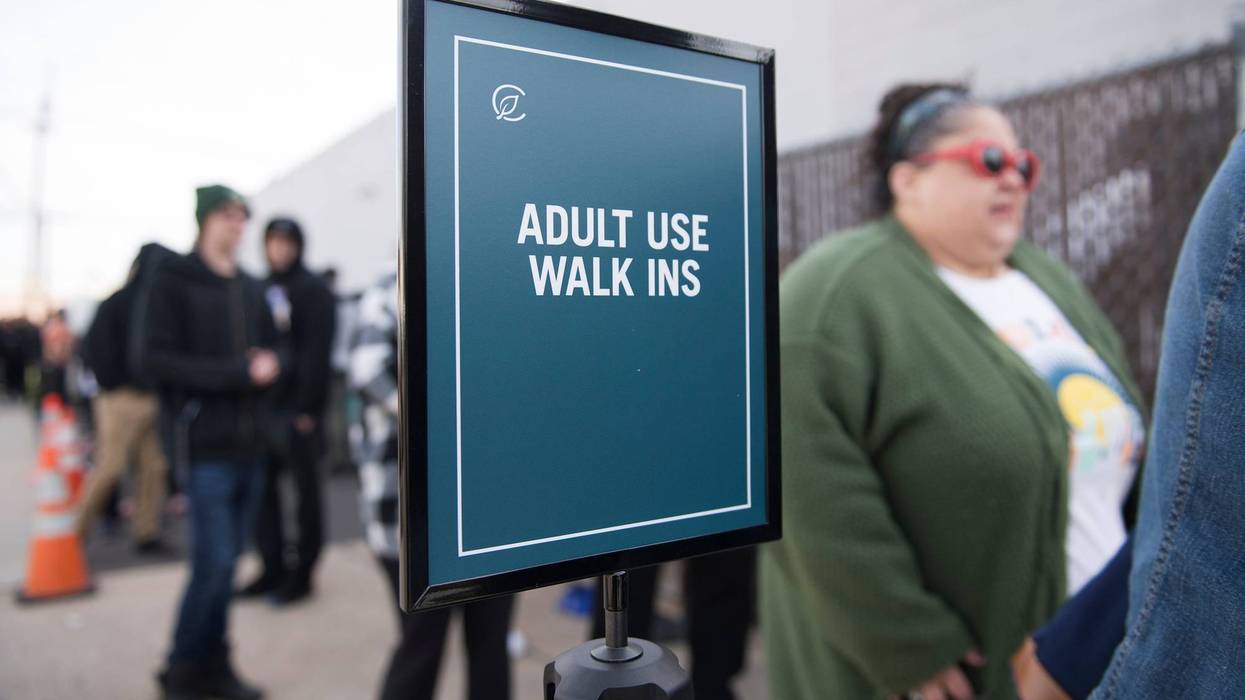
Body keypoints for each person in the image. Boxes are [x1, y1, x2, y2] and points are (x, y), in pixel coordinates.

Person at [761, 83, 1146, 699]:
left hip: (1096, 654)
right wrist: (906, 639)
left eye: (1023, 164)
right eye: (988, 160)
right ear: (907, 180)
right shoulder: (834, 293)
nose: (1013, 179)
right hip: (971, 675)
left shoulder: (1044, 277)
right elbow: (802, 486)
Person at [349, 272, 514, 700]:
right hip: (413, 516)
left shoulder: (483, 286)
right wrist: (451, 417)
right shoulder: (390, 290)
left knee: (491, 645)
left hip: (486, 513)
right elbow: (368, 372)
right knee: (421, 645)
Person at [148, 184, 281, 700]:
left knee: (225, 566)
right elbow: (155, 361)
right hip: (205, 449)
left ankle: (209, 663)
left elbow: (277, 348)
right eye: (228, 215)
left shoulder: (251, 287)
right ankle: (185, 668)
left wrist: (273, 365)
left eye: (243, 216)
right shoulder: (174, 280)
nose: (237, 224)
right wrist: (238, 373)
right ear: (205, 219)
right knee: (216, 563)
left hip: (251, 447)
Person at [237, 217, 336, 606]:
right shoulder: (260, 289)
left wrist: (308, 409)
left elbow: (318, 354)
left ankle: (303, 573)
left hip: (298, 413)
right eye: (272, 242)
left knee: (305, 497)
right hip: (264, 411)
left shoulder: (313, 290)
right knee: (263, 495)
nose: (279, 249)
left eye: (286, 242)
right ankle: (272, 566)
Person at [76, 243, 176, 552]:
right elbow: (92, 348)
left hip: (151, 398)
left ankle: (147, 531)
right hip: (120, 399)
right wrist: (114, 383)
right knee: (111, 466)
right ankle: (71, 535)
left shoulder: (160, 306)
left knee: (153, 466)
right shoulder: (117, 303)